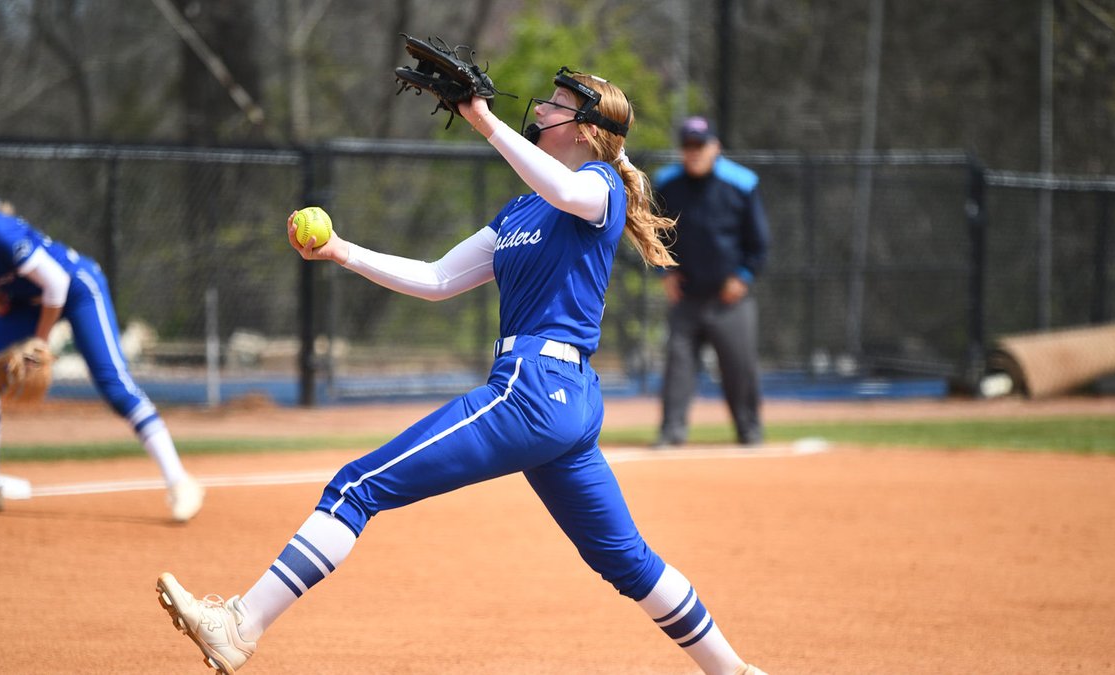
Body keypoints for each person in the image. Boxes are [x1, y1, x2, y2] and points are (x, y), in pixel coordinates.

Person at [155, 68, 767, 675]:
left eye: (558, 105)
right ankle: (731, 670)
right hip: (557, 400)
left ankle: (241, 625)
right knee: (626, 561)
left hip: (535, 390)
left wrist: (482, 119)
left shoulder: (598, 186)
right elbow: (437, 278)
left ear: (586, 131)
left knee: (355, 487)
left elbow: (566, 193)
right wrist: (341, 250)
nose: (544, 110)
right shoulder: (522, 209)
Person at [0, 165, 205, 522]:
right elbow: (7, 272)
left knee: (115, 385)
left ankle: (181, 482)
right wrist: (2, 294)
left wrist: (39, 345)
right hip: (26, 302)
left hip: (76, 288)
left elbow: (56, 282)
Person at [653, 117, 769, 448]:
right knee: (677, 366)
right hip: (686, 295)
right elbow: (655, 235)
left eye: (700, 146)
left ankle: (749, 430)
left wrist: (743, 277)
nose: (694, 153)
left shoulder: (741, 183)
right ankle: (671, 431)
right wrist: (665, 273)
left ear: (715, 147)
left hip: (729, 297)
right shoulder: (668, 184)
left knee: (739, 366)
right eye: (688, 146)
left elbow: (759, 241)